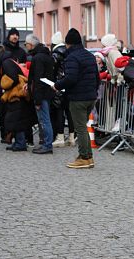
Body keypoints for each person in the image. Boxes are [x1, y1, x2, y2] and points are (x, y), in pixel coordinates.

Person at [54, 28, 99, 169]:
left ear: (68, 44)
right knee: (83, 127)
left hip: (78, 97)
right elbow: (96, 78)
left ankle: (85, 157)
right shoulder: (89, 56)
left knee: (80, 128)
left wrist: (57, 85)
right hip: (91, 96)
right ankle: (87, 156)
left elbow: (71, 78)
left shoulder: (72, 57)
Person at [0, 46, 34, 152]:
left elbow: (13, 77)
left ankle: (20, 143)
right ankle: (19, 142)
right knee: (17, 120)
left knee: (16, 121)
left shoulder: (6, 63)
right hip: (19, 94)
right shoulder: (11, 61)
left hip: (16, 95)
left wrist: (6, 85)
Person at [25, 34, 55, 154]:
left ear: (31, 45)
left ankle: (47, 144)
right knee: (46, 119)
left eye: (26, 44)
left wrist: (37, 99)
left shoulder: (37, 58)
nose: (26, 47)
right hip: (47, 92)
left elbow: (38, 80)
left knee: (44, 120)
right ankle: (46, 143)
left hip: (41, 94)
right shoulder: (46, 56)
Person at [50, 31, 75, 148]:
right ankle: (71, 136)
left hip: (59, 86)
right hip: (70, 86)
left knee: (59, 112)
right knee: (70, 112)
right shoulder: (70, 52)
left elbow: (53, 71)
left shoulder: (55, 54)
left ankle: (60, 136)